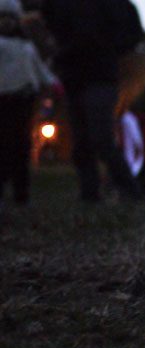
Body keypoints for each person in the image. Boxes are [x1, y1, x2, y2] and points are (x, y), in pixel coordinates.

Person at [41, 0, 143, 203]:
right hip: (74, 74)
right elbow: (50, 17)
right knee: (81, 140)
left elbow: (132, 31)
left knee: (101, 138)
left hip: (101, 75)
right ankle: (90, 193)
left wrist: (108, 48)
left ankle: (130, 189)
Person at [0, 0, 56, 209]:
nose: (6, 23)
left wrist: (53, 85)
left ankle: (21, 194)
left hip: (22, 100)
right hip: (2, 101)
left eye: (10, 18)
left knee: (21, 146)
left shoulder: (26, 47)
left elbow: (41, 72)